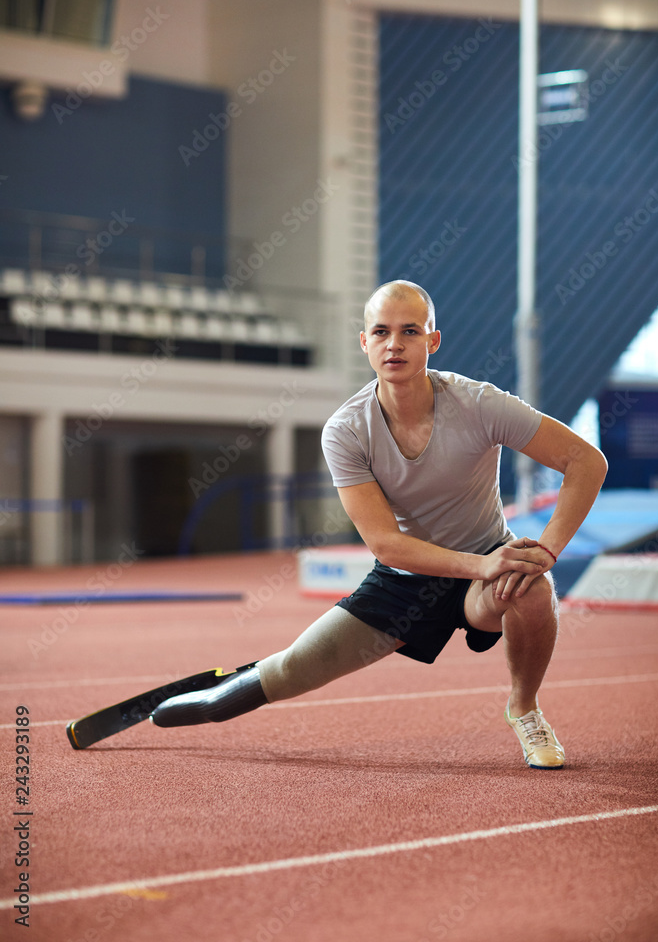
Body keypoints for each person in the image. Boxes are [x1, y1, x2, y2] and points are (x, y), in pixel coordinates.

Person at [151, 280, 607, 769]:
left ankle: (525, 707)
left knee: (532, 586)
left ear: (432, 341)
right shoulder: (346, 431)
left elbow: (586, 462)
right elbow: (387, 545)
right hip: (406, 579)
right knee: (290, 670)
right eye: (382, 332)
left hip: (486, 568)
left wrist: (547, 550)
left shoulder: (480, 404)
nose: (395, 344)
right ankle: (207, 700)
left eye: (410, 331)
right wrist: (480, 565)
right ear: (364, 342)